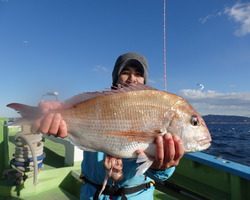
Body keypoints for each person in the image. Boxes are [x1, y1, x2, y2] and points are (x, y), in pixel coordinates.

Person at [34, 52, 184, 200]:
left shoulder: (153, 110)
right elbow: (69, 125)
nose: (132, 79)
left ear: (144, 81)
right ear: (115, 78)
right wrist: (55, 116)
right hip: (92, 195)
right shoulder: (98, 103)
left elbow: (159, 174)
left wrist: (162, 167)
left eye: (139, 74)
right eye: (125, 72)